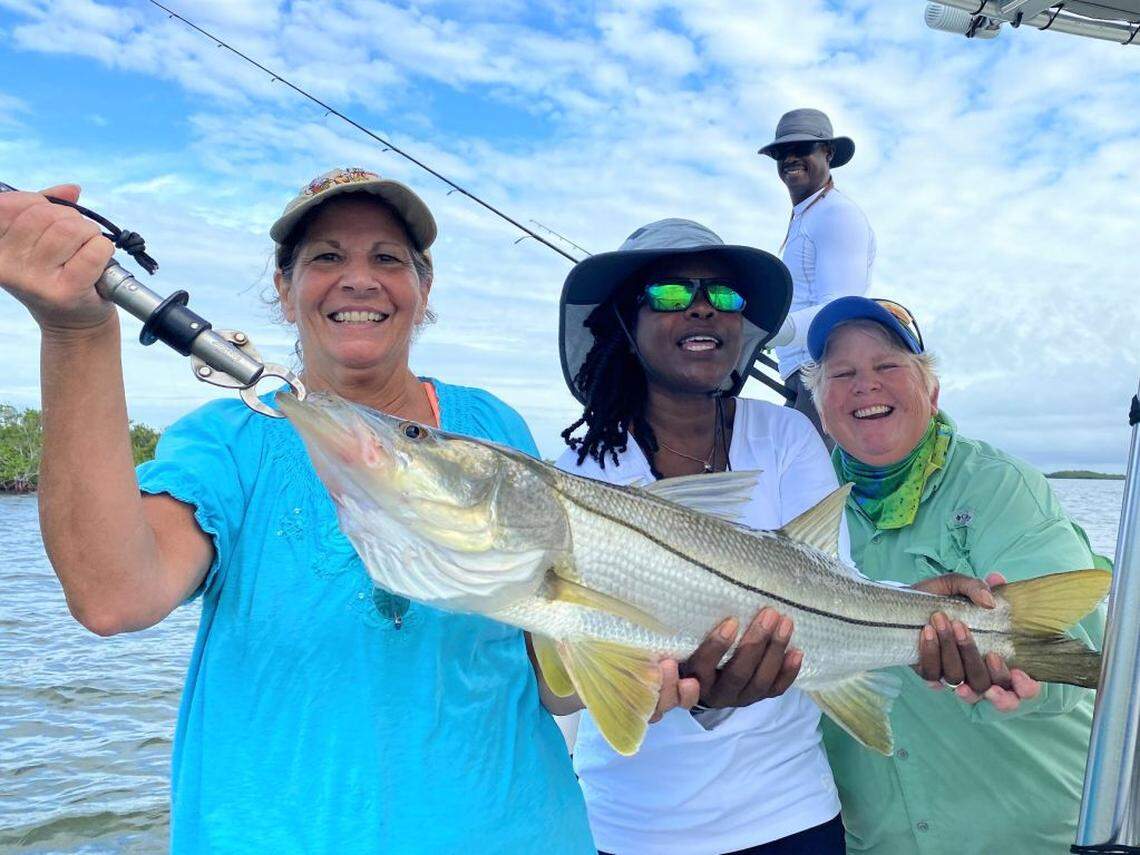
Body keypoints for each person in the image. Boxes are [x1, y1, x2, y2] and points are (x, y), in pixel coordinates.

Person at [0, 169, 595, 853]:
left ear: (423, 290)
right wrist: (76, 333)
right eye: (326, 257)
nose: (359, 279)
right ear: (284, 290)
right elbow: (113, 597)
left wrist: (650, 665)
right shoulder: (225, 441)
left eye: (388, 259)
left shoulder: (492, 427)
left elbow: (553, 670)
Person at [553, 219, 998, 855]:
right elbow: (557, 684)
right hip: (632, 823)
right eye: (672, 295)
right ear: (625, 322)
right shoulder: (577, 475)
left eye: (725, 296)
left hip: (790, 810)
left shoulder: (785, 437)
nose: (704, 306)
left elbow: (832, 591)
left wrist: (918, 605)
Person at [802, 295, 1108, 854]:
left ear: (932, 390)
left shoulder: (1001, 487)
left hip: (1033, 836)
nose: (865, 385)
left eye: (888, 366)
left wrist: (1016, 672)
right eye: (841, 373)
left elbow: (1074, 657)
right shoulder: (801, 503)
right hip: (879, 841)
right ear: (821, 408)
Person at [758, 108, 875, 442]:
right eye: (781, 152)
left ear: (829, 152)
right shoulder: (807, 216)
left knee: (813, 489)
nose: (790, 157)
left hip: (822, 374)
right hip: (803, 377)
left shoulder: (836, 213)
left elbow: (841, 306)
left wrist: (759, 332)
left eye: (803, 148)